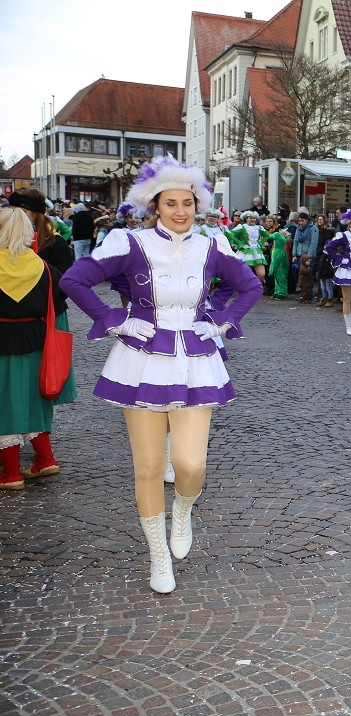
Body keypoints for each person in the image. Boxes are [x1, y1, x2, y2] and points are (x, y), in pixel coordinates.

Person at [60, 155, 262, 594]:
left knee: (190, 466)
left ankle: (185, 510)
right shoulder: (127, 242)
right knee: (149, 467)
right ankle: (157, 556)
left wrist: (221, 321)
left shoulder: (213, 245)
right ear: (156, 205)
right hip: (140, 359)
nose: (180, 211)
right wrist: (115, 319)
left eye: (187, 202)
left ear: (197, 204)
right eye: (170, 203)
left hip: (196, 359)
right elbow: (73, 280)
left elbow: (250, 286)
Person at [0, 208, 65, 489]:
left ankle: (11, 474)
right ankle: (45, 459)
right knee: (33, 400)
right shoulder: (46, 269)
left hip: (2, 341)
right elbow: (61, 302)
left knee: (4, 404)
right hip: (38, 341)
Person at [228, 211, 268, 285]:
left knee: (262, 274)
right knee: (247, 274)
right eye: (250, 218)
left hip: (257, 251)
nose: (252, 219)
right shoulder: (242, 227)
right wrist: (240, 243)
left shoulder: (259, 227)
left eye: (254, 218)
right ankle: (249, 289)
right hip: (245, 252)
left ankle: (256, 286)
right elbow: (231, 234)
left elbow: (266, 235)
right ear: (246, 219)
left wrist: (261, 242)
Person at [264, 215, 289, 300]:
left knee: (280, 278)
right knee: (277, 279)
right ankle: (277, 291)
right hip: (279, 267)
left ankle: (282, 292)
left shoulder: (278, 250)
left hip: (279, 267)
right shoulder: (278, 248)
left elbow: (275, 261)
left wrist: (271, 270)